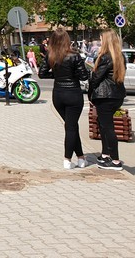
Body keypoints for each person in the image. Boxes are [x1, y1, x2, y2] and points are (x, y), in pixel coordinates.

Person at [40, 28, 90, 170]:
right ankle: (67, 159)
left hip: (58, 94)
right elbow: (84, 76)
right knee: (71, 127)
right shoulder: (74, 55)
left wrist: (56, 75)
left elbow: (42, 73)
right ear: (67, 40)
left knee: (71, 126)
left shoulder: (50, 55)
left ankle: (81, 157)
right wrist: (73, 74)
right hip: (73, 93)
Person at [89, 29, 127, 171]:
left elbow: (96, 78)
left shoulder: (105, 57)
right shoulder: (120, 56)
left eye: (101, 38)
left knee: (108, 128)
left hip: (105, 96)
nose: (100, 41)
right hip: (117, 95)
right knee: (104, 125)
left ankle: (115, 161)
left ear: (105, 40)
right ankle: (105, 155)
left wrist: (90, 93)